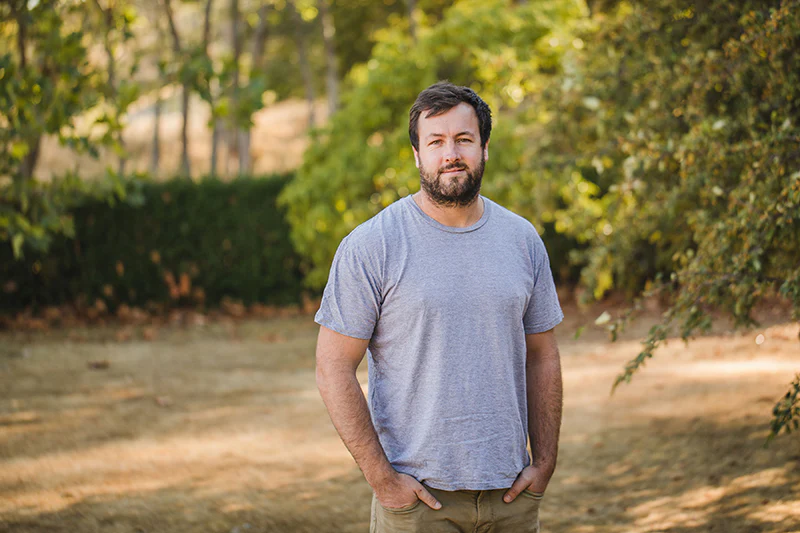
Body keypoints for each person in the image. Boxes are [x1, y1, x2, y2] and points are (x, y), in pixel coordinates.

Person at [314, 81, 564, 532]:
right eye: (436, 141)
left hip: (512, 498)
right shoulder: (373, 245)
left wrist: (544, 461)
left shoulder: (522, 240)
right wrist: (383, 479)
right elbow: (332, 368)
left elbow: (543, 354)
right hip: (418, 504)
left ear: (485, 148)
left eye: (464, 139)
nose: (451, 153)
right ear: (416, 154)